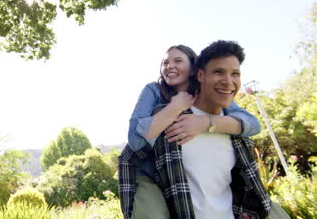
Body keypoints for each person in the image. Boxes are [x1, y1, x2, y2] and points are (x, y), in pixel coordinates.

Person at [119, 41, 289, 219]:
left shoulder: (220, 103)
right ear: (201, 74)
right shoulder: (154, 91)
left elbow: (253, 124)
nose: (170, 66)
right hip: (152, 173)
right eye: (165, 63)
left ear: (194, 70)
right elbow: (135, 141)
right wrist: (175, 107)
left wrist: (205, 122)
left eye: (178, 61)